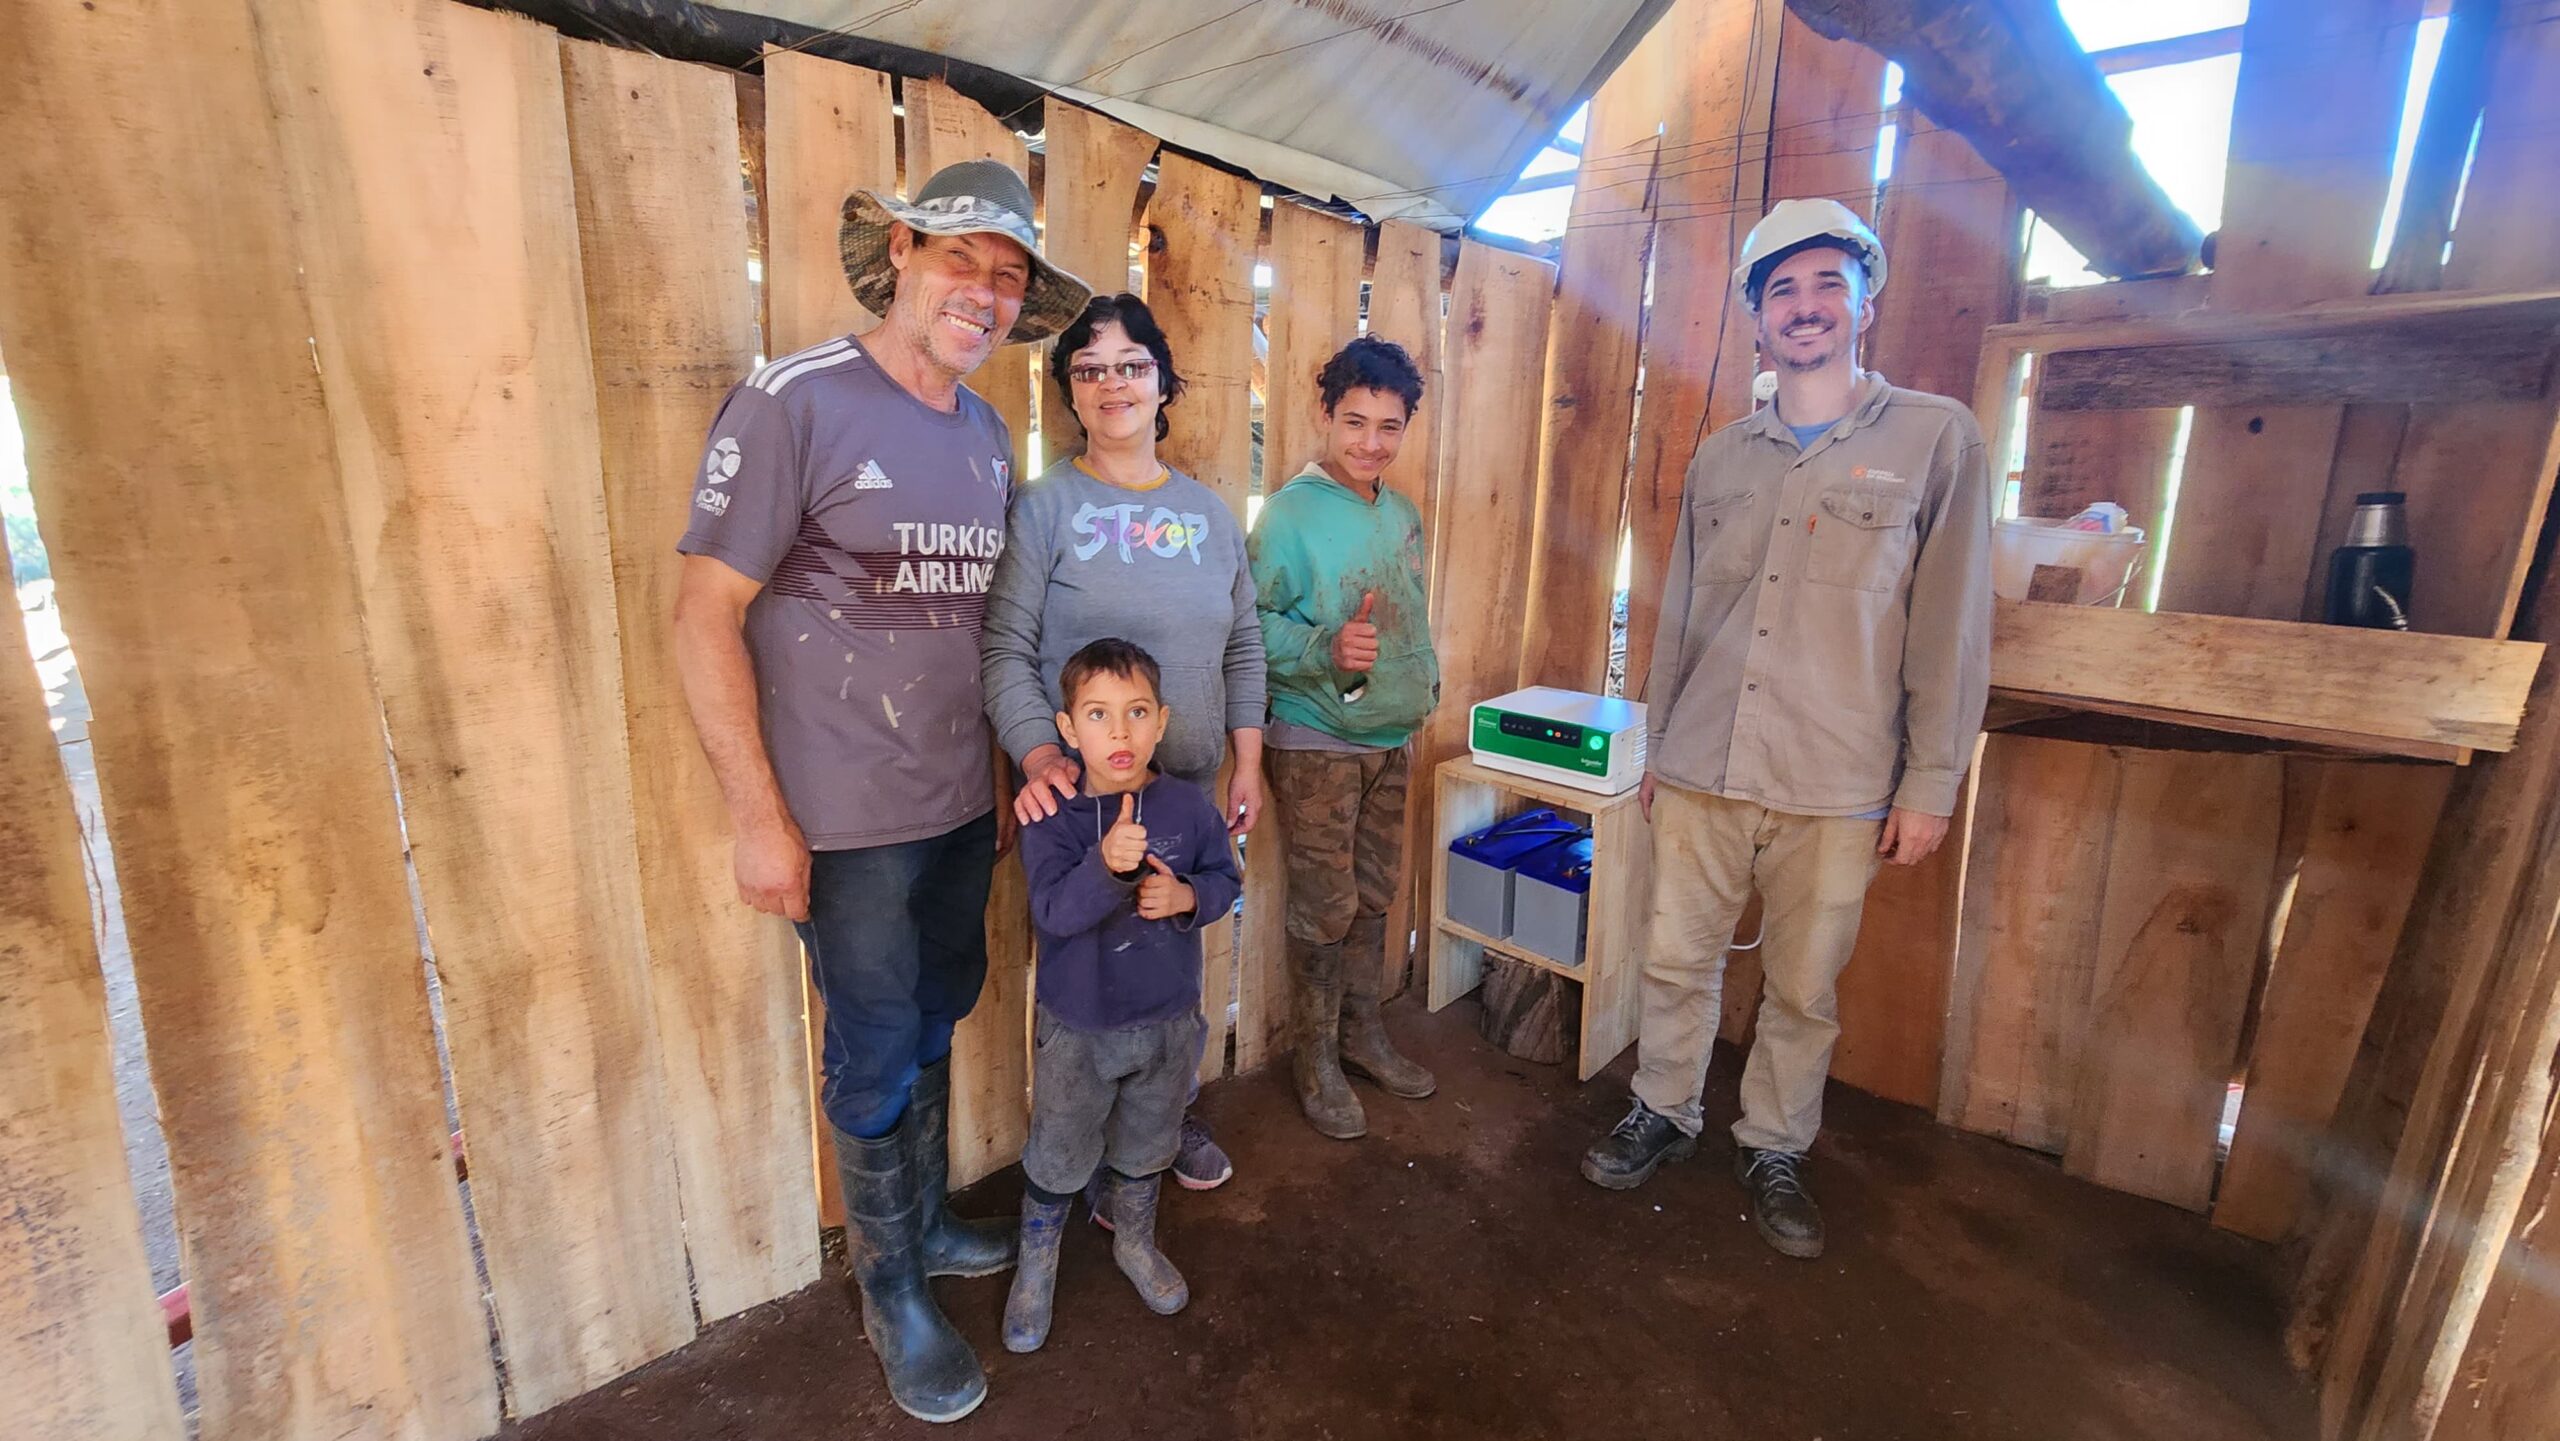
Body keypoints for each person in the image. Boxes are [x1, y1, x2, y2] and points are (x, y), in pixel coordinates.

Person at [671, 159, 1090, 1424]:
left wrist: (1016, 767)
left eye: (1010, 276)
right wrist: (758, 815)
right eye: (963, 258)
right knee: (870, 1046)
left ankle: (919, 1235)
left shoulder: (980, 433)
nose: (986, 292)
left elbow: (988, 627)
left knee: (931, 1012)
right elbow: (702, 619)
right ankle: (890, 1283)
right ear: (900, 251)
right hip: (843, 822)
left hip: (958, 803)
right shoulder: (794, 398)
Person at [1578, 198, 1992, 1260]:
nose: (1804, 308)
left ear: (1862, 302)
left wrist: (1931, 782)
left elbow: (1950, 626)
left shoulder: (1933, 438)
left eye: (1824, 286)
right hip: (1706, 763)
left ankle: (1773, 1144)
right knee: (1674, 959)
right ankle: (1663, 1110)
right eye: (1781, 291)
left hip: (1839, 778)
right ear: (1757, 318)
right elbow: (1678, 617)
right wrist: (1659, 747)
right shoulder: (1722, 459)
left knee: (1803, 987)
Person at [980, 292, 1267, 1190]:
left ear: (1161, 380)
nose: (1113, 384)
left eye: (1131, 365)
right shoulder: (1045, 507)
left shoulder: (1212, 515)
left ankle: (1161, 1119)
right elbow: (1005, 648)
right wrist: (1039, 753)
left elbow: (1245, 642)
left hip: (1184, 787)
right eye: (1090, 368)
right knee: (1085, 974)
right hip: (1082, 803)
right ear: (1071, 389)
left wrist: (1247, 755)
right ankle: (1079, 1147)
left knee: (1172, 949)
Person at [1002, 638, 1243, 1351]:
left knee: (1147, 1143)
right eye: (1099, 714)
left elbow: (1225, 880)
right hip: (1078, 1026)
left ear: (1162, 722)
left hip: (1167, 1022)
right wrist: (1104, 869)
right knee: (1059, 1148)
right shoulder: (1050, 816)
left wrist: (1186, 895)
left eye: (1137, 712)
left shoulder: (1188, 807)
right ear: (1067, 729)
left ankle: (1133, 1242)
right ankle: (1035, 1266)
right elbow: (1052, 913)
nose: (1120, 731)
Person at [1247, 336, 1440, 1139]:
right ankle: (1315, 1057)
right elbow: (1248, 624)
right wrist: (1322, 646)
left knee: (1373, 896)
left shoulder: (1400, 512)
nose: (1370, 441)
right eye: (1354, 421)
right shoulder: (1289, 514)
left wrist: (1417, 686)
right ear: (1325, 415)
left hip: (1388, 734)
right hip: (1317, 737)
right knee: (1325, 907)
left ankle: (1362, 1033)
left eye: (1388, 426)